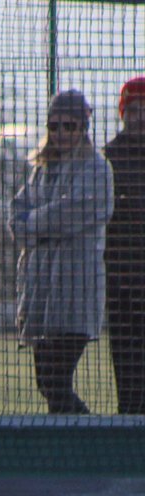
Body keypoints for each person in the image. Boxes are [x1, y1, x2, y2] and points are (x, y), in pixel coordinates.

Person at [9, 89, 113, 415]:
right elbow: (16, 214)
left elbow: (73, 213)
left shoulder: (96, 168)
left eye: (69, 126)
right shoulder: (40, 169)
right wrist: (36, 221)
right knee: (46, 383)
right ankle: (71, 446)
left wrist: (36, 221)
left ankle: (90, 440)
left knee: (56, 380)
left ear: (83, 128)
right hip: (40, 291)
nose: (61, 134)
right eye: (54, 126)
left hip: (75, 292)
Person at [103, 77, 145, 415]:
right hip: (121, 281)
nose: (140, 116)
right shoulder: (108, 159)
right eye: (133, 109)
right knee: (128, 360)